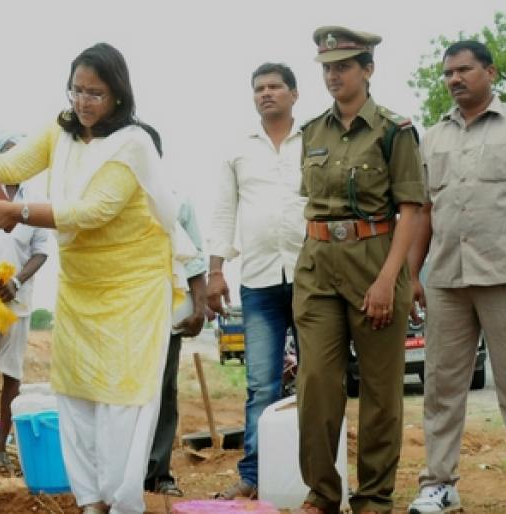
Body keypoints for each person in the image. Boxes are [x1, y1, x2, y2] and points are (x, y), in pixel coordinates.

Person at [0, 42, 193, 514]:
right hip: (81, 287)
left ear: (118, 95)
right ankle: (91, 499)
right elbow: (10, 167)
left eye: (95, 93)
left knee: (121, 397)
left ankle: (122, 502)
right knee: (76, 391)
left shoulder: (132, 143)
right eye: (76, 90)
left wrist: (20, 211)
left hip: (132, 290)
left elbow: (94, 212)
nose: (83, 102)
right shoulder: (62, 131)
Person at [406, 40, 506, 514]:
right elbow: (425, 212)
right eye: (448, 73)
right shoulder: (432, 137)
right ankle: (438, 484)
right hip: (447, 281)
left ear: (490, 72)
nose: (455, 79)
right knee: (440, 386)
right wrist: (413, 274)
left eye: (464, 70)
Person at [292, 27, 424, 514]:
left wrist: (390, 278)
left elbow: (411, 208)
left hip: (376, 264)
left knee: (381, 393)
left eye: (344, 65)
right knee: (317, 387)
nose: (334, 75)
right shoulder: (311, 132)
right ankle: (322, 495)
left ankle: (373, 499)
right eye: (327, 67)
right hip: (318, 267)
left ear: (367, 70)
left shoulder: (395, 131)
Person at [206, 62, 305, 500]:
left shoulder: (315, 141)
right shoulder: (238, 150)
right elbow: (225, 212)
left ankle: (314, 475)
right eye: (259, 88)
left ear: (294, 94)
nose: (267, 94)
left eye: (275, 87)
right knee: (261, 384)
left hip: (312, 278)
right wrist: (214, 271)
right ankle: (253, 475)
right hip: (260, 281)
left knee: (317, 382)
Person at [0, 135, 54, 476]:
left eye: (18, 158)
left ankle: (1, 449)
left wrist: (16, 282)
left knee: (12, 375)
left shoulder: (34, 203)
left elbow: (42, 250)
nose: (12, 164)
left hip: (16, 301)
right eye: (5, 158)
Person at [144, 195, 211, 497]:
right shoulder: (109, 195)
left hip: (166, 306)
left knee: (164, 391)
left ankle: (157, 473)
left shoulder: (176, 199)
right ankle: (121, 472)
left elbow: (193, 256)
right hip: (120, 312)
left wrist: (200, 306)